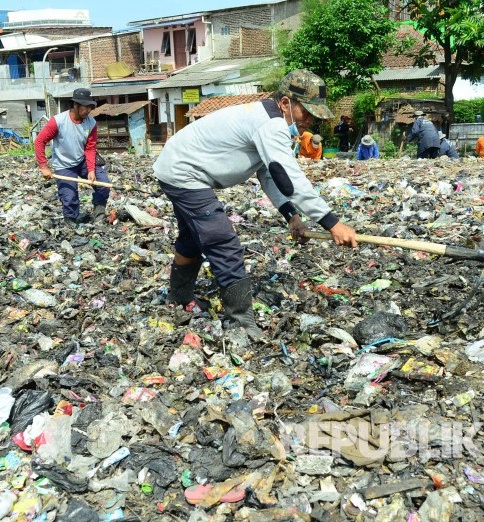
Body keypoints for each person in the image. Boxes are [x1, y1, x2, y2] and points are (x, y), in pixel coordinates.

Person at [153, 69, 357, 340]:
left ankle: (178, 298)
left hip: (178, 167)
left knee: (192, 237)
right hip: (185, 174)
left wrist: (291, 215)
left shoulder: (267, 120)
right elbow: (289, 178)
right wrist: (332, 223)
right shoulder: (270, 125)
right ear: (285, 103)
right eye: (305, 111)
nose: (310, 120)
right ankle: (241, 322)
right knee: (223, 243)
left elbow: (269, 173)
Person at [34, 88, 109, 225]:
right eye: (86, 107)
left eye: (90, 107)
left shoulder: (91, 123)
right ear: (75, 105)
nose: (88, 111)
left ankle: (98, 213)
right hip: (64, 164)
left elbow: (90, 148)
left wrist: (91, 170)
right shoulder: (58, 121)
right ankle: (71, 221)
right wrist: (44, 166)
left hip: (82, 161)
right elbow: (39, 141)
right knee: (69, 197)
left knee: (103, 183)